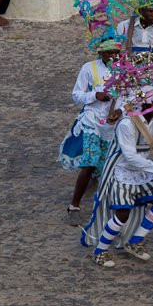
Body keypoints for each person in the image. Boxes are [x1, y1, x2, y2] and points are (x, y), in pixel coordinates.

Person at [82, 97, 153, 269]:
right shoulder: (127, 124)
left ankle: (135, 240)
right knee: (123, 213)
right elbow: (130, 157)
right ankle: (100, 251)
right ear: (144, 104)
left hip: (144, 171)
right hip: (123, 171)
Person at [58, 37, 123, 217]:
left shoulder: (125, 70)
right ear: (100, 53)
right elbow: (76, 95)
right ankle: (74, 205)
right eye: (109, 53)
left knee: (110, 165)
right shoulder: (89, 68)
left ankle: (111, 202)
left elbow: (130, 97)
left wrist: (120, 111)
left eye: (116, 53)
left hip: (113, 124)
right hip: (92, 120)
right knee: (89, 161)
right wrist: (95, 95)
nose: (113, 57)